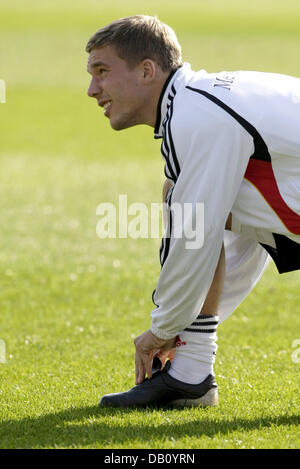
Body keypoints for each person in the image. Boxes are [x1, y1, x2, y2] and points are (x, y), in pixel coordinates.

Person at [86, 15, 300, 408]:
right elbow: (233, 230)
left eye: (102, 72)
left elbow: (194, 235)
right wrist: (183, 332)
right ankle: (189, 377)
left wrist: (163, 328)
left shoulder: (194, 114)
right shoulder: (197, 99)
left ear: (147, 70)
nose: (91, 89)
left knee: (185, 201)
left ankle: (190, 374)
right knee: (198, 198)